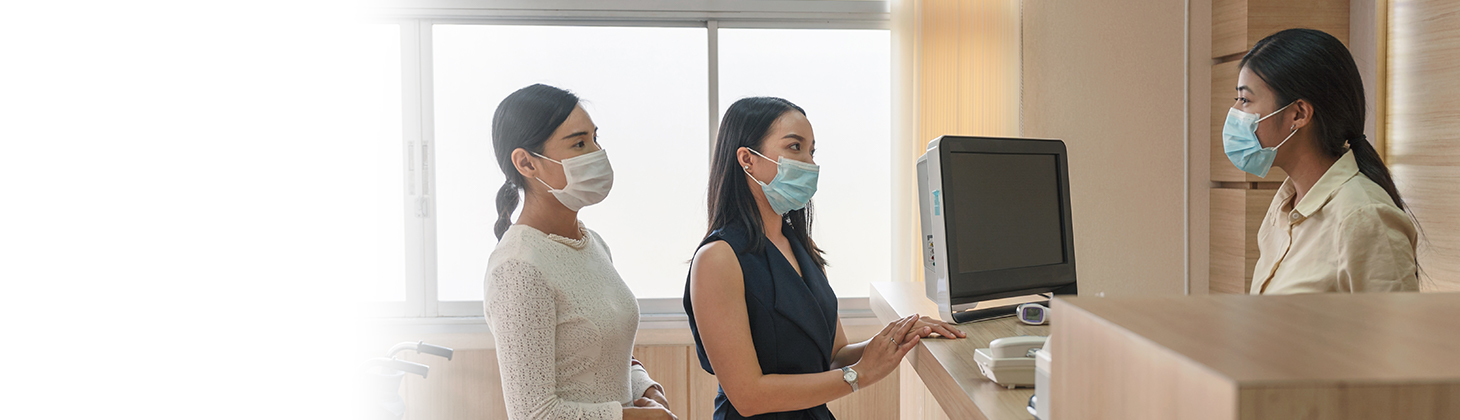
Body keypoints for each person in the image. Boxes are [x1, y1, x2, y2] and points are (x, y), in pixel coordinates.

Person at [684, 97, 966, 419]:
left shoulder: (800, 247)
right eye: (794, 147)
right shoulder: (717, 259)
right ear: (747, 159)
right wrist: (861, 375)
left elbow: (834, 355)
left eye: (812, 151)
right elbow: (748, 396)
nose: (808, 162)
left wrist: (895, 337)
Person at [484, 84, 677, 420]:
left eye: (594, 139)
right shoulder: (518, 266)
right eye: (578, 143)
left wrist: (646, 388)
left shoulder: (593, 243)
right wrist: (632, 418)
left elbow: (603, 356)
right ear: (526, 163)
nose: (596, 152)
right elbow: (533, 413)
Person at [1221, 29, 1419, 294]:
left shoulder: (1364, 216)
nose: (1234, 113)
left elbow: (1395, 332)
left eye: (1245, 100)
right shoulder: (1283, 208)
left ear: (1298, 114)